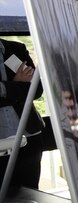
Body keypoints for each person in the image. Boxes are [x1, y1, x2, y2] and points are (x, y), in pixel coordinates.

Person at [0, 38, 44, 189]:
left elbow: (37, 89)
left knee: (32, 193)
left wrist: (5, 89)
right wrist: (17, 85)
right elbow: (26, 89)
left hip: (29, 136)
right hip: (1, 142)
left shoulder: (16, 49)